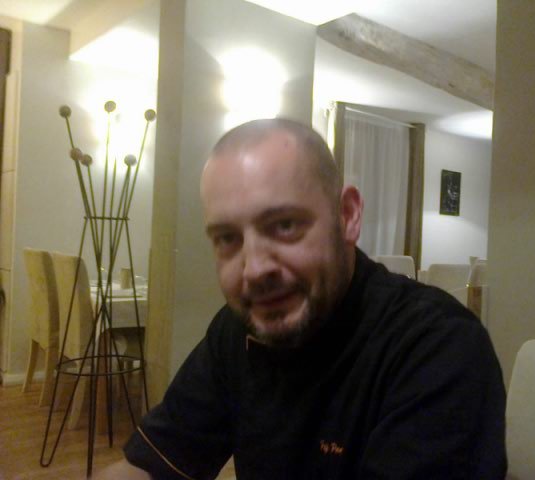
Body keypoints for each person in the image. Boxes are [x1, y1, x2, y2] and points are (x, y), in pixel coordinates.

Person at [96, 118, 507, 479]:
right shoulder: (236, 332)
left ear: (348, 216)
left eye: (285, 225)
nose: (254, 269)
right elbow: (148, 466)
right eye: (227, 238)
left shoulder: (438, 346)